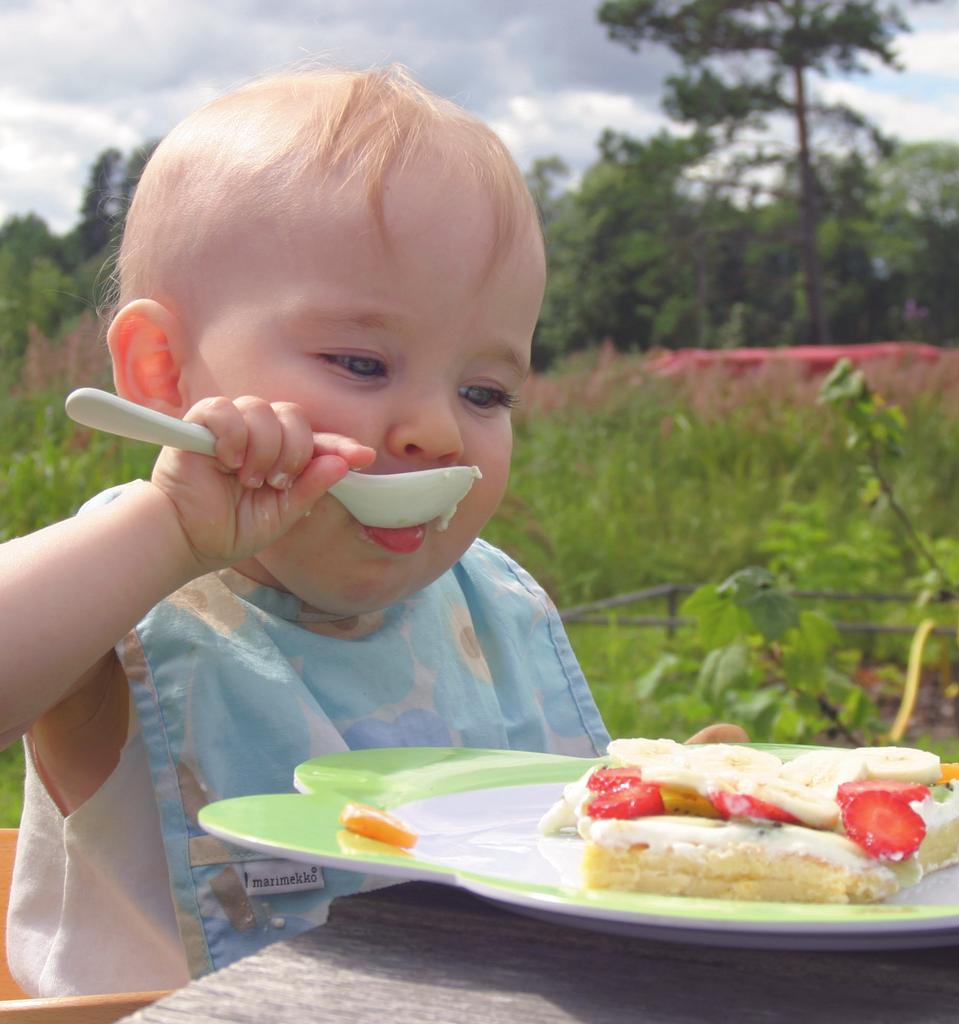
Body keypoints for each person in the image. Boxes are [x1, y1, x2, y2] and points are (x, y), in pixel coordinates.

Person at [0, 66, 744, 997]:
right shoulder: (132, 597)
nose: (436, 427)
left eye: (485, 392)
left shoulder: (492, 607)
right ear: (162, 369)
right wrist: (172, 531)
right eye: (361, 361)